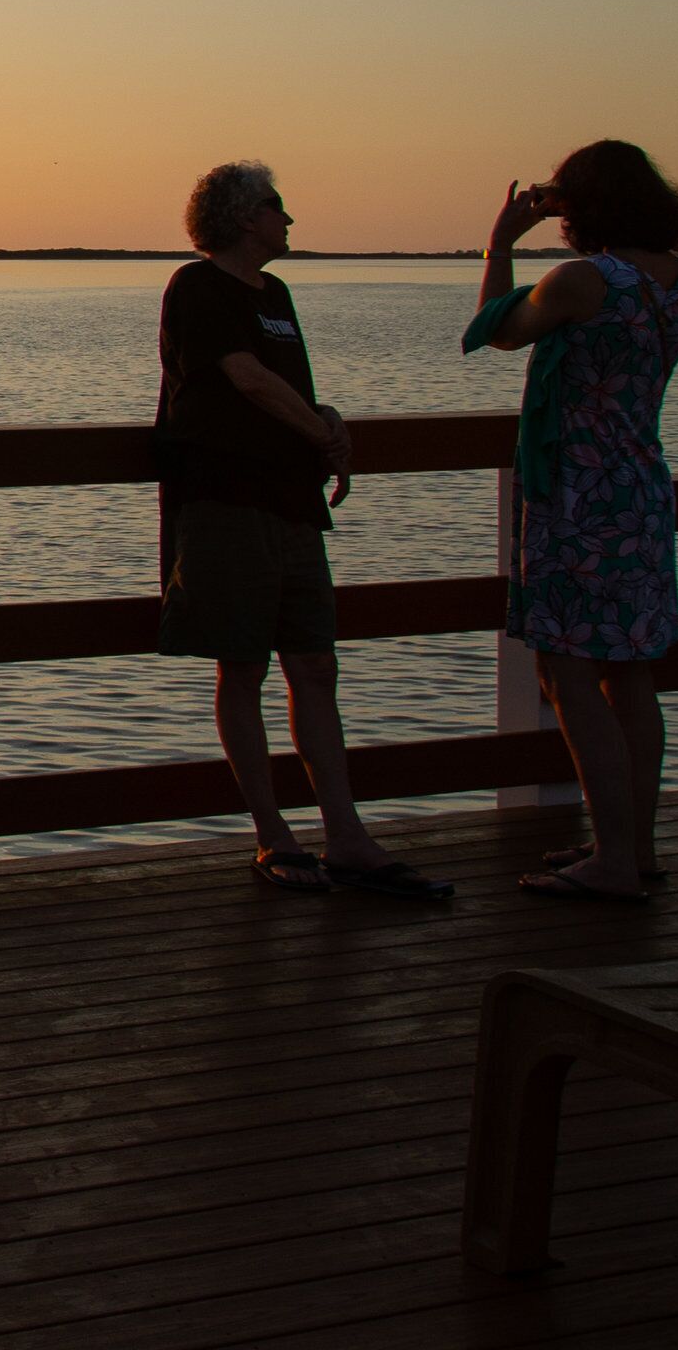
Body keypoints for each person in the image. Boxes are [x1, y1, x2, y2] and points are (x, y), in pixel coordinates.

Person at [157, 163, 447, 901]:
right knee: (244, 668)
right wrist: (319, 431)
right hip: (225, 500)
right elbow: (245, 377)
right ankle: (272, 833)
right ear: (240, 216)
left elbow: (289, 386)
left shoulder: (276, 294)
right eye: (275, 207)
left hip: (291, 504)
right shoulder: (198, 288)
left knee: (315, 665)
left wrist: (329, 426)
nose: (288, 218)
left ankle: (345, 834)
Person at [469, 140, 678, 903]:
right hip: (639, 488)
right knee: (628, 674)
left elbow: (496, 331)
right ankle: (633, 846)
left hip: (576, 495)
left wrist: (502, 242)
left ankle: (611, 859)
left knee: (567, 672)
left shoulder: (580, 279)